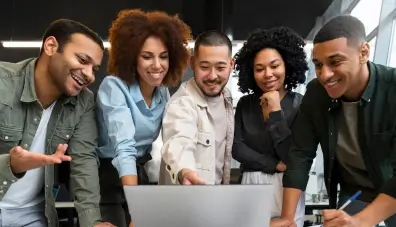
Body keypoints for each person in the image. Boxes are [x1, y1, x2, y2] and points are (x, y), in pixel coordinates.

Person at [271, 15, 396, 227]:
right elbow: (301, 153)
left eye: (335, 62)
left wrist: (360, 222)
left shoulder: (392, 88)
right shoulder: (316, 93)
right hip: (355, 193)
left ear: (364, 52)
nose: (325, 75)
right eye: (318, 65)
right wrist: (287, 218)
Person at [0, 19, 114, 227]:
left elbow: (84, 161)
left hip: (31, 216)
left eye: (95, 69)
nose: (89, 75)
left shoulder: (84, 101)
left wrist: (93, 222)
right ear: (51, 46)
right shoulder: (3, 82)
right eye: (82, 59)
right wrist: (11, 164)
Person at [95, 9, 191, 227]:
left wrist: (184, 170)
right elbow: (124, 147)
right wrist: (137, 210)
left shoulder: (163, 93)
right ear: (132, 57)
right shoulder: (114, 86)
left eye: (163, 56)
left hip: (139, 173)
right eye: (147, 56)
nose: (157, 65)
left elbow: (173, 138)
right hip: (108, 175)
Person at [232, 27, 308, 227]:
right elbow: (237, 148)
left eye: (275, 66)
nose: (268, 74)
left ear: (288, 65)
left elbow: (293, 156)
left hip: (287, 188)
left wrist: (275, 114)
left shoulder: (301, 105)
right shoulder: (245, 104)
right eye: (259, 69)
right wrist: (273, 164)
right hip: (250, 185)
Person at [158, 30, 234, 185]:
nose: (212, 76)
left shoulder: (226, 97)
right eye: (205, 67)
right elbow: (179, 140)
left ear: (231, 65)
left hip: (215, 200)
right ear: (192, 63)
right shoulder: (182, 103)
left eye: (220, 67)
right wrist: (184, 171)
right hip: (185, 201)